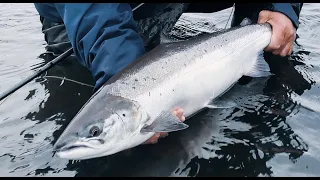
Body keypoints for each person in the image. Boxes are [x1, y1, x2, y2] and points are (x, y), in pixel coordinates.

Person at [34, 3, 303, 144]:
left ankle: (256, 37)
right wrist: (127, 83)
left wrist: (284, 10)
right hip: (77, 15)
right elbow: (96, 16)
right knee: (87, 74)